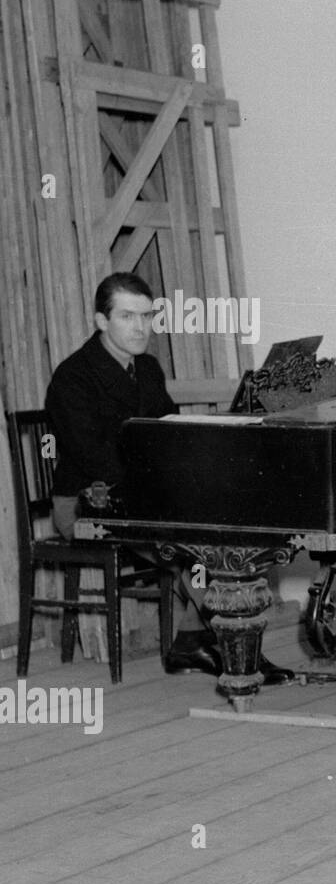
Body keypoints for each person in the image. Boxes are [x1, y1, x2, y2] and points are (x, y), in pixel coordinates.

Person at [46, 273, 218, 675]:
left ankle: (196, 639)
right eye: (127, 316)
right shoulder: (73, 377)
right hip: (88, 504)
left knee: (217, 533)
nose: (141, 327)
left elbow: (166, 434)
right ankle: (220, 641)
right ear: (101, 321)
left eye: (147, 316)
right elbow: (94, 459)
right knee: (194, 541)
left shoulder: (149, 369)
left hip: (140, 497)